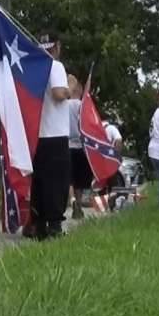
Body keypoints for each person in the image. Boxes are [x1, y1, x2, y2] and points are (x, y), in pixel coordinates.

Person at [31, 30, 71, 240]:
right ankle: (55, 226)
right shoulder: (55, 66)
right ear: (56, 47)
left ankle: (39, 225)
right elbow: (58, 94)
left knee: (40, 182)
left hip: (37, 134)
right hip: (55, 134)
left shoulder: (33, 67)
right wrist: (70, 89)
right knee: (57, 182)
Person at [66, 75, 92, 220]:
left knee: (69, 178)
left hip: (67, 144)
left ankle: (72, 200)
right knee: (80, 180)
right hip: (81, 146)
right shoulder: (83, 106)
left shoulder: (65, 105)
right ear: (80, 90)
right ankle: (79, 204)